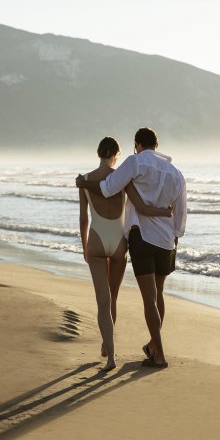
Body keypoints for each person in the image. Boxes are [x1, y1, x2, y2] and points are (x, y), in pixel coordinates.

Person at [77, 127, 186, 369]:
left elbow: (107, 187)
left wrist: (83, 182)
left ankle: (155, 355)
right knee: (158, 295)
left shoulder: (135, 163)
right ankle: (152, 346)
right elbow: (180, 216)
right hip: (165, 241)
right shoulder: (176, 173)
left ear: (137, 144)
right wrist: (175, 239)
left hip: (141, 237)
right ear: (156, 145)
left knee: (141, 300)